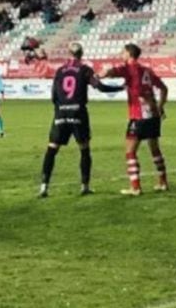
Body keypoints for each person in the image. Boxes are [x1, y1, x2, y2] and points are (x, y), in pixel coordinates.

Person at [39, 43, 123, 198]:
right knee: (84, 149)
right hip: (78, 113)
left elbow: (53, 95)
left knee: (52, 150)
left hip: (61, 113)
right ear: (81, 53)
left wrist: (60, 108)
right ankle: (85, 186)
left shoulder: (60, 71)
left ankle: (44, 187)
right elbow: (100, 86)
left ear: (68, 53)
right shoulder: (85, 70)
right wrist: (120, 88)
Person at [104, 43, 170, 196]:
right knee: (155, 149)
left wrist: (104, 73)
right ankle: (163, 182)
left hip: (139, 117)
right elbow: (164, 88)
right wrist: (160, 106)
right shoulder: (147, 70)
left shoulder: (130, 67)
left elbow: (114, 71)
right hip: (153, 115)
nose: (121, 55)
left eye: (123, 52)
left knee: (130, 152)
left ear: (129, 53)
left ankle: (135, 187)